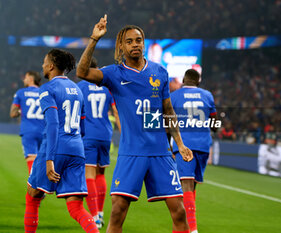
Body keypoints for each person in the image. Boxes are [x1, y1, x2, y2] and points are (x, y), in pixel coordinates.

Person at [76, 15, 193, 233]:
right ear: (121, 46)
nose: (135, 44)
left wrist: (180, 143)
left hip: (161, 153)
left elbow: (168, 111)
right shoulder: (114, 73)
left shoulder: (160, 72)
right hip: (131, 153)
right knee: (118, 212)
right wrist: (94, 38)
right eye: (129, 41)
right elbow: (81, 72)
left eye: (138, 40)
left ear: (143, 43)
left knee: (179, 211)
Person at [24, 49, 99, 233]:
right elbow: (82, 127)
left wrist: (50, 160)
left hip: (55, 148)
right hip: (77, 149)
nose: (42, 65)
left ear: (51, 66)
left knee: (32, 196)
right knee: (76, 208)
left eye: (44, 62)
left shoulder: (47, 88)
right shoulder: (77, 90)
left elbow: (52, 123)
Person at [170, 69, 218, 233]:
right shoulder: (207, 95)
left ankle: (192, 229)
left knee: (186, 187)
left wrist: (169, 145)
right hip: (203, 145)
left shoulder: (174, 96)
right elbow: (215, 124)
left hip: (184, 146)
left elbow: (168, 122)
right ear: (198, 82)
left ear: (184, 80)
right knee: (192, 187)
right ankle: (182, 229)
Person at [77, 56, 120, 228]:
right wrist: (123, 134)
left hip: (88, 134)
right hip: (105, 134)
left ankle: (94, 216)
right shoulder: (106, 87)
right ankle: (101, 214)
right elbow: (116, 112)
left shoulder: (80, 87)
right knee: (101, 174)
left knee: (89, 175)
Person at [10, 71, 44, 174]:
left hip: (29, 131)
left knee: (32, 161)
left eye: (25, 77)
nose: (24, 80)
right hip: (44, 132)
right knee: (44, 163)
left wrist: (21, 111)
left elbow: (13, 113)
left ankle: (32, 189)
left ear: (30, 78)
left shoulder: (21, 92)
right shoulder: (44, 92)